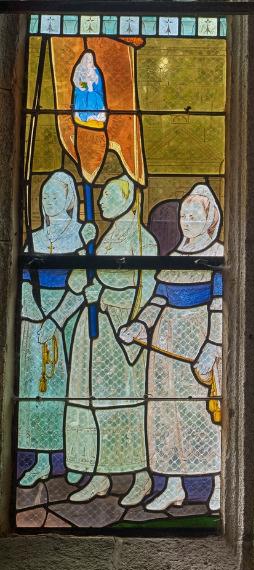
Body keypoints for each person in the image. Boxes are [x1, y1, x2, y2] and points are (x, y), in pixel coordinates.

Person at [39, 174, 158, 506]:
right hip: (92, 335)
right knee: (91, 403)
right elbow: (79, 283)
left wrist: (104, 297)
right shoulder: (101, 238)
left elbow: (146, 292)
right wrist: (84, 252)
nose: (102, 201)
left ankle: (141, 477)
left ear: (128, 198)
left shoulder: (144, 241)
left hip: (121, 336)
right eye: (101, 195)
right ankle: (99, 474)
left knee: (125, 404)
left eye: (109, 195)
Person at [119, 184, 223, 512]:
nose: (187, 222)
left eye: (194, 216)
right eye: (184, 216)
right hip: (167, 343)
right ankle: (173, 485)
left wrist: (213, 345)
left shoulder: (219, 253)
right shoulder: (174, 258)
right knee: (167, 413)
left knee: (205, 415)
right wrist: (139, 325)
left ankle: (220, 485)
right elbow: (158, 300)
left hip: (200, 337)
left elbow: (220, 304)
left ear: (211, 219)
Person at [18, 171, 95, 487]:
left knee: (72, 390)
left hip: (70, 317)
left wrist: (57, 319)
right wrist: (35, 313)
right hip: (36, 316)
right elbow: (24, 279)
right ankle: (42, 461)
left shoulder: (83, 235)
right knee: (39, 391)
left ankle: (76, 457)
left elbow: (84, 282)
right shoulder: (34, 238)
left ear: (69, 199)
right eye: (45, 194)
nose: (48, 200)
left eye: (55, 194)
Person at [71, 50, 107, 128]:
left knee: (93, 96)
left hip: (94, 91)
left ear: (92, 62)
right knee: (81, 95)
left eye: (90, 62)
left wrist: (91, 87)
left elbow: (99, 86)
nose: (88, 64)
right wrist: (81, 86)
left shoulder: (95, 71)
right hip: (82, 90)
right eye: (86, 62)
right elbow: (76, 81)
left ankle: (92, 117)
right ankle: (82, 117)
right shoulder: (80, 69)